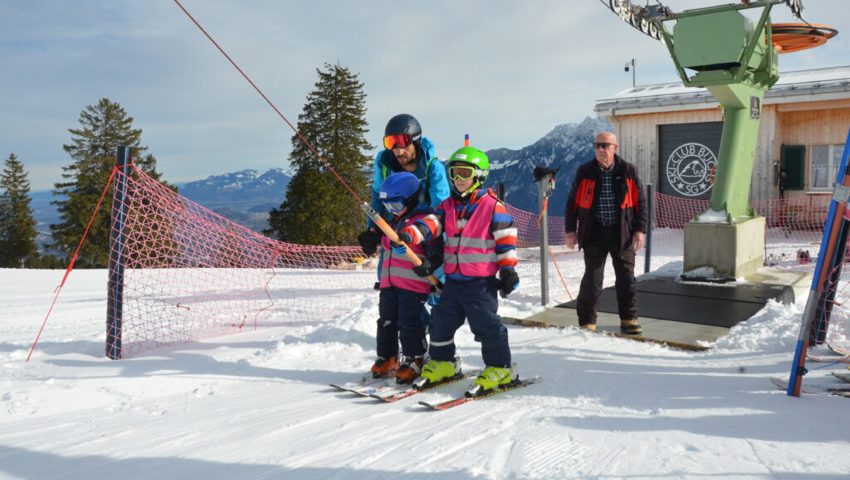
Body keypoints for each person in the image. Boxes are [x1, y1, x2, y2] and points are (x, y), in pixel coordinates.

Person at [398, 146, 520, 395]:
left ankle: (501, 367)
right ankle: (444, 362)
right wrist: (412, 233)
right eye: (454, 173)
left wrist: (508, 271)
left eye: (464, 173)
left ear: (479, 175)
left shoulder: (492, 207)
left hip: (481, 283)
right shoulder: (448, 206)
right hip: (453, 281)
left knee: (486, 324)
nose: (458, 179)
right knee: (441, 322)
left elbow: (506, 240)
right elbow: (432, 223)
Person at [564, 131, 647, 335]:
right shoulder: (585, 171)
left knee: (626, 279)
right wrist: (570, 230)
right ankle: (587, 322)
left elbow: (641, 203)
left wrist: (639, 230)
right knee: (592, 280)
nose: (601, 149)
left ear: (614, 148)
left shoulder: (628, 170)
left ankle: (629, 318)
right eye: (597, 145)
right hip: (594, 233)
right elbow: (572, 203)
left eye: (605, 145)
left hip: (623, 233)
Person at [369, 172, 444, 383]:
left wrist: (431, 262)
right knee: (386, 321)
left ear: (411, 198)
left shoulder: (424, 220)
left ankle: (414, 358)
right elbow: (386, 246)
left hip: (413, 284)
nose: (392, 210)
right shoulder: (392, 222)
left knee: (409, 322)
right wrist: (373, 235)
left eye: (396, 205)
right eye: (388, 206)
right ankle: (388, 356)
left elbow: (436, 249)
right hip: (389, 283)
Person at [357, 114, 450, 261]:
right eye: (391, 143)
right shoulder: (385, 166)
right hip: (394, 236)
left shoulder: (432, 168)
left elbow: (442, 210)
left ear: (416, 141)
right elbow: (378, 198)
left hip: (424, 239)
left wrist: (436, 251)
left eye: (403, 144)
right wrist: (373, 230)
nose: (398, 151)